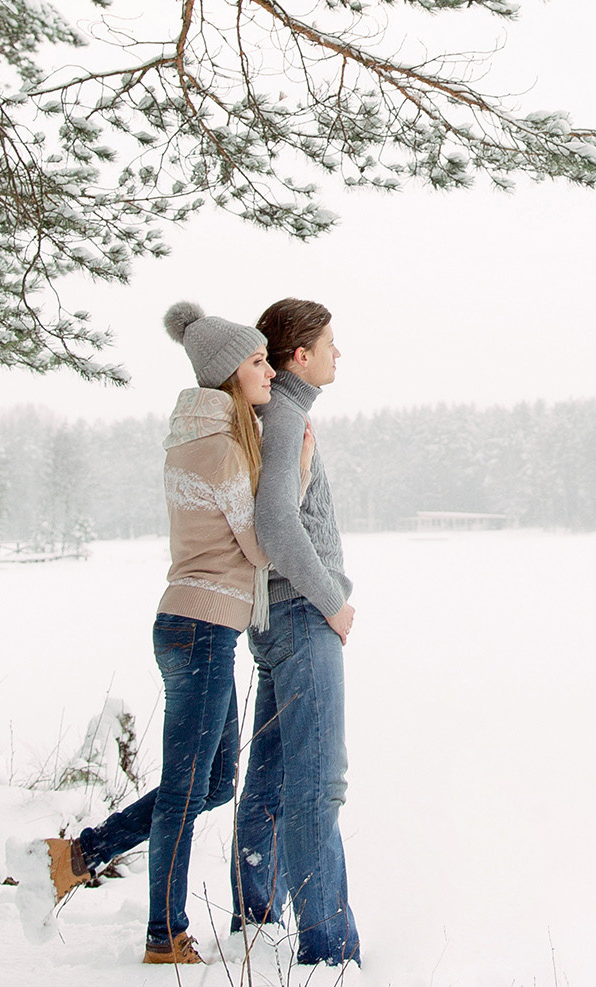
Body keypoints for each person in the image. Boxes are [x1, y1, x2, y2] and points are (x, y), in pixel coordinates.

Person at [8, 300, 274, 965]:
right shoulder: (221, 450)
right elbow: (263, 544)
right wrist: (291, 468)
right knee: (190, 785)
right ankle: (164, 934)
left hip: (192, 624)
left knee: (211, 781)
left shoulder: (196, 437)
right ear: (227, 374)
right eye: (258, 361)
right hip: (202, 627)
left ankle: (78, 855)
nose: (268, 371)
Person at [230, 296, 361, 967]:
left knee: (274, 774)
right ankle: (329, 951)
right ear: (299, 354)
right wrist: (332, 599)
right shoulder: (284, 416)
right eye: (330, 343)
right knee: (317, 783)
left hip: (279, 618)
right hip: (301, 617)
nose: (341, 353)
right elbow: (278, 524)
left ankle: (254, 918)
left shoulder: (282, 414)